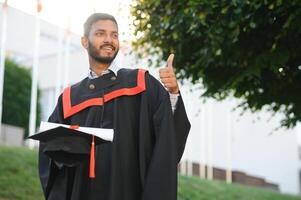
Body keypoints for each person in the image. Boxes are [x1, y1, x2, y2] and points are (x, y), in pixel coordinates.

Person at [38, 13, 190, 200]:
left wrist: (173, 92)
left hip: (130, 191)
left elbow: (168, 132)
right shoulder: (70, 98)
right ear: (85, 42)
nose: (109, 40)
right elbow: (50, 159)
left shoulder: (142, 83)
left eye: (115, 35)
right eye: (101, 33)